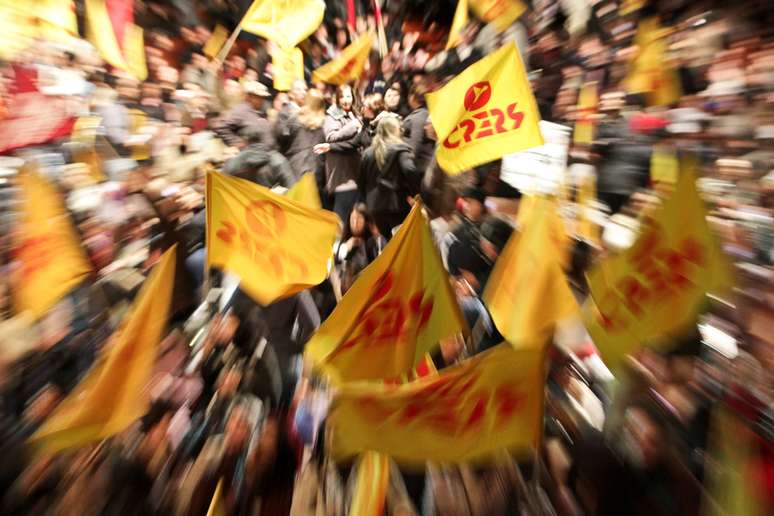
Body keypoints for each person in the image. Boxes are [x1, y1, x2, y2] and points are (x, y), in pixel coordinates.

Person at [358, 116, 420, 238]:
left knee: (388, 243)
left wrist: (367, 200)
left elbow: (361, 182)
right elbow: (410, 170)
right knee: (401, 244)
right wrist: (416, 194)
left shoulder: (367, 153)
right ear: (396, 130)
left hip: (375, 207)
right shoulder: (401, 150)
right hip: (397, 205)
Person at [315, 84, 366, 223]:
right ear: (337, 99)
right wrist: (352, 126)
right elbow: (331, 137)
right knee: (341, 221)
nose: (345, 100)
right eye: (342, 96)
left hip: (355, 173)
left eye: (348, 96)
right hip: (341, 176)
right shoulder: (332, 116)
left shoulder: (354, 114)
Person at [335, 203, 386, 294]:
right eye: (352, 219)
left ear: (366, 221)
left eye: (358, 219)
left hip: (372, 289)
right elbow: (336, 263)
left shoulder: (375, 240)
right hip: (351, 292)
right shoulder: (345, 242)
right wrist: (346, 248)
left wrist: (377, 239)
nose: (355, 223)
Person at [223, 126, 297, 188]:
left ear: (244, 141)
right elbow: (292, 185)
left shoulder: (234, 162)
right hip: (269, 202)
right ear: (261, 139)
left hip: (245, 203)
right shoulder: (276, 158)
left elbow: (223, 183)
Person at [216, 81, 277, 150]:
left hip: (267, 152)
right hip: (251, 155)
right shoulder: (240, 111)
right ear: (249, 97)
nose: (261, 100)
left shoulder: (264, 111)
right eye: (258, 97)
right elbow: (222, 127)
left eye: (262, 97)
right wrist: (236, 142)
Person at [282, 89, 326, 180]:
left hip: (296, 167)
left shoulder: (294, 118)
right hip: (316, 168)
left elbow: (283, 140)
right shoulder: (324, 122)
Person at [402, 83, 433, 176]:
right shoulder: (424, 114)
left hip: (418, 168)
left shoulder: (419, 117)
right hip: (421, 166)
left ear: (412, 97)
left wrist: (405, 168)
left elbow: (415, 146)